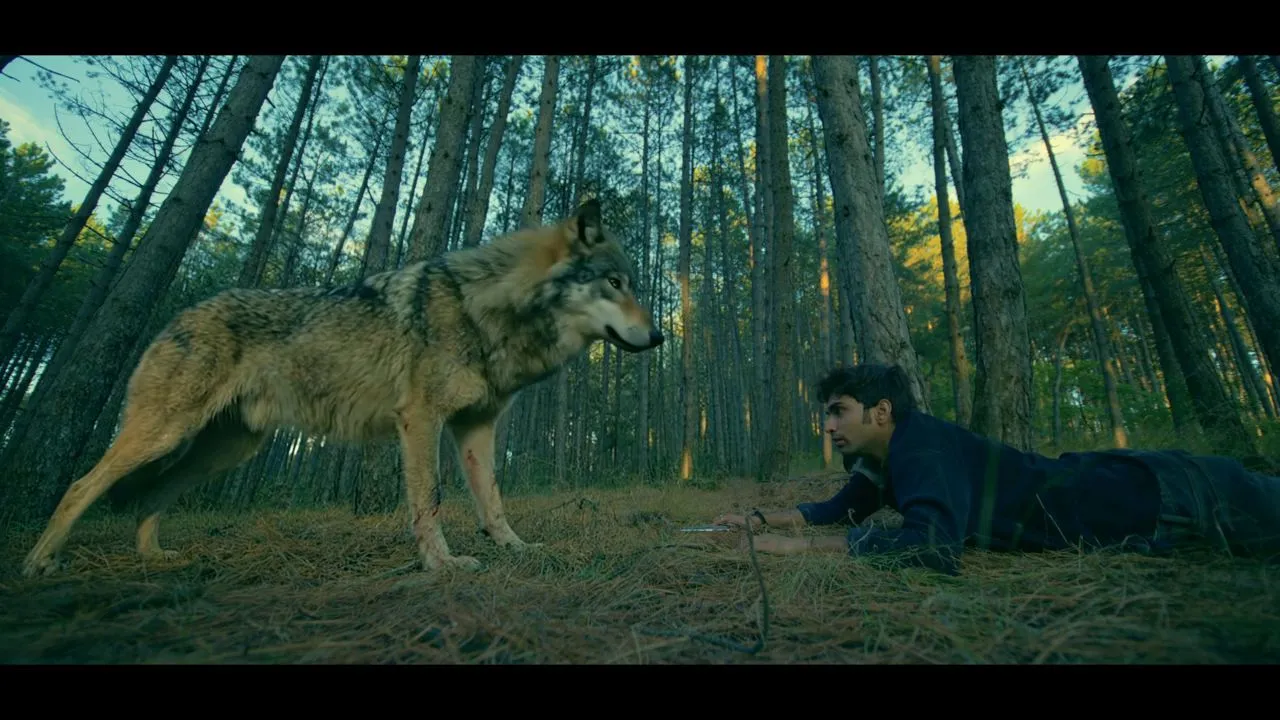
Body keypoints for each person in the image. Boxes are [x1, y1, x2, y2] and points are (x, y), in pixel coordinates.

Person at [713, 363, 1280, 575]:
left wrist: (797, 551)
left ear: (881, 412)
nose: (828, 426)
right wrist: (761, 521)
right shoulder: (883, 458)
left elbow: (932, 548)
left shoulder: (921, 447)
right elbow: (839, 510)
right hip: (1154, 488)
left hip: (1177, 497)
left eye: (838, 412)